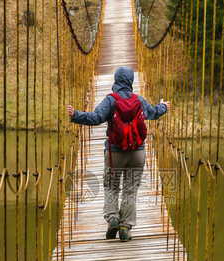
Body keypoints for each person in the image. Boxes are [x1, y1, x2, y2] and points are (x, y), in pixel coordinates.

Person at [67, 66, 170, 242]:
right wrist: (163, 107)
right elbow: (153, 112)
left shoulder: (111, 99)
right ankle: (125, 227)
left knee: (111, 186)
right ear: (131, 81)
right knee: (130, 190)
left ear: (116, 81)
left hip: (115, 153)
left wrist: (76, 114)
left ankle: (113, 218)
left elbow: (95, 118)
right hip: (137, 153)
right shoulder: (139, 100)